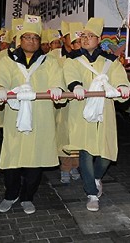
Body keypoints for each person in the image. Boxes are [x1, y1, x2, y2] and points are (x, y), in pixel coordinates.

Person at [0, 15, 64, 215]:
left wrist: (57, 88)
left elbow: (57, 79)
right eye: (27, 37)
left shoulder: (48, 61)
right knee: (11, 160)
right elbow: (1, 78)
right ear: (19, 39)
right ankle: (11, 194)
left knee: (35, 160)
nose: (31, 41)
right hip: (15, 118)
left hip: (40, 117)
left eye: (35, 38)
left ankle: (27, 197)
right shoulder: (8, 61)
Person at [63, 17, 130, 212]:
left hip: (104, 112)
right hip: (82, 111)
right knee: (86, 152)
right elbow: (70, 74)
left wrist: (123, 87)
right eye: (83, 35)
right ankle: (92, 194)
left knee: (107, 153)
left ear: (99, 39)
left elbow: (120, 78)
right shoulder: (74, 59)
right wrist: (75, 85)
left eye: (90, 36)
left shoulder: (110, 61)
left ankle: (95, 177)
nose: (85, 39)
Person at [54, 20, 84, 183]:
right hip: (65, 105)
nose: (78, 44)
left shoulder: (87, 59)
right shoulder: (56, 58)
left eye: (81, 40)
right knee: (64, 135)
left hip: (81, 104)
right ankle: (65, 167)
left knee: (78, 136)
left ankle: (75, 165)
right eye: (74, 40)